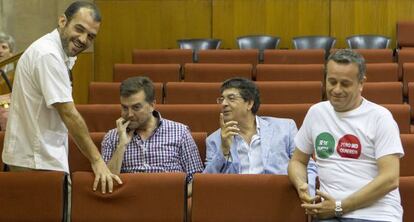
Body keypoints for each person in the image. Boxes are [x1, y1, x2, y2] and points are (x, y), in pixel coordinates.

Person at [2, 1, 121, 193]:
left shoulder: (57, 50)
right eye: (79, 29)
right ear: (62, 21)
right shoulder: (48, 55)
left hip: (37, 157)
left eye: (91, 36)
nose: (83, 39)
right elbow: (69, 114)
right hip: (36, 161)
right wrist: (97, 161)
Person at [288, 49, 404, 222]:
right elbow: (297, 161)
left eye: (345, 84)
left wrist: (339, 207)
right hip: (328, 213)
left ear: (361, 83)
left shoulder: (380, 118)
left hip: (376, 214)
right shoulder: (316, 113)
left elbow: (390, 179)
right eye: (332, 82)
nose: (336, 90)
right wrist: (302, 186)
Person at [203, 77, 317, 191]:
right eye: (221, 99)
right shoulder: (214, 140)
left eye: (231, 99)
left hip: (278, 198)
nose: (223, 104)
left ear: (249, 103)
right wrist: (223, 150)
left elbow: (308, 165)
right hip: (236, 200)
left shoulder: (285, 128)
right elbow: (206, 182)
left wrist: (308, 194)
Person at [101, 76, 204, 183]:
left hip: (169, 197)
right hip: (130, 197)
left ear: (152, 105)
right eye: (125, 108)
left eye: (136, 107)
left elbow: (195, 180)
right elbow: (107, 182)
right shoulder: (112, 137)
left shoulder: (180, 132)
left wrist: (178, 198)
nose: (129, 114)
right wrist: (121, 145)